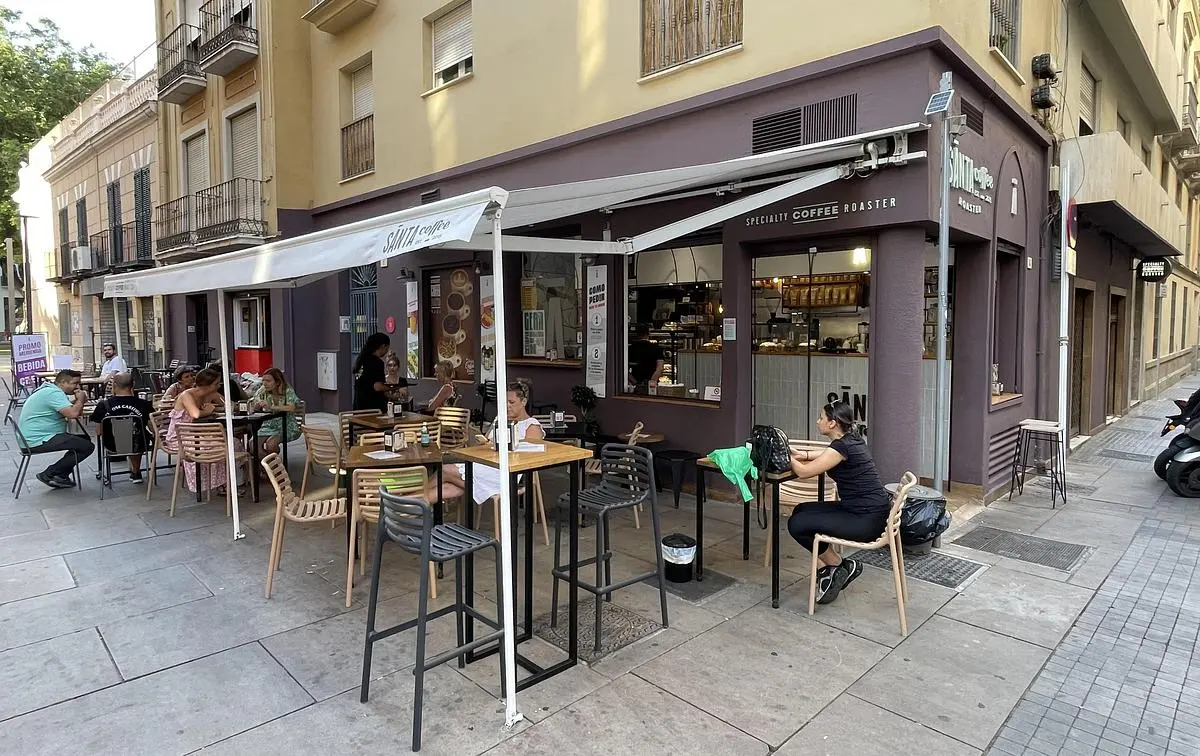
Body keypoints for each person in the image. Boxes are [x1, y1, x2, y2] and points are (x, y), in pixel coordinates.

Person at [786, 401, 890, 605]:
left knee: (797, 524)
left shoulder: (842, 446)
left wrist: (784, 456)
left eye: (821, 418)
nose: (818, 422)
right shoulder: (852, 440)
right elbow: (829, 454)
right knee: (801, 510)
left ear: (833, 423)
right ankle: (836, 569)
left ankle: (836, 566)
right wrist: (802, 455)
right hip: (870, 512)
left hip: (865, 520)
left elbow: (804, 472)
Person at [435, 379, 543, 504]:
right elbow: (488, 440)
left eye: (511, 402)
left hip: (504, 473)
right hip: (487, 466)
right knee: (448, 486)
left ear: (523, 402)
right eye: (505, 402)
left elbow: (529, 458)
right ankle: (418, 502)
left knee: (445, 471)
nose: (507, 406)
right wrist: (486, 443)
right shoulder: (500, 419)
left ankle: (417, 501)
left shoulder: (531, 426)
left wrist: (499, 447)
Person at [166, 367, 240, 495]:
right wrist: (208, 410)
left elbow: (230, 405)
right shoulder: (187, 395)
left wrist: (220, 406)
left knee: (234, 442)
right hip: (181, 438)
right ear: (206, 385)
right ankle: (221, 484)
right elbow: (195, 414)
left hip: (198, 434)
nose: (219, 386)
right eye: (216, 384)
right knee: (222, 446)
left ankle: (228, 482)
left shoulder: (209, 394)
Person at [17, 369, 95, 489]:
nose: (77, 387)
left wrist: (79, 401)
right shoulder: (53, 394)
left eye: (79, 383)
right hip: (37, 440)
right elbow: (73, 414)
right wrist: (80, 400)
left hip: (35, 437)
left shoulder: (51, 390)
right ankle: (50, 474)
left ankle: (60, 475)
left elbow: (73, 411)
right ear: (63, 382)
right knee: (87, 447)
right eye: (75, 383)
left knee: (84, 440)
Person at [90, 373, 154, 483]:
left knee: (130, 438)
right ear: (133, 385)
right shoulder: (144, 404)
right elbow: (153, 428)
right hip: (138, 444)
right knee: (139, 436)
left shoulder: (103, 405)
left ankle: (131, 471)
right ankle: (136, 472)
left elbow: (99, 431)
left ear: (114, 385)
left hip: (112, 445)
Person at [251, 367, 301, 454]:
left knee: (271, 444)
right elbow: (254, 403)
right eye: (263, 380)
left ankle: (272, 461)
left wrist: (271, 407)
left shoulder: (287, 390)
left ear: (277, 382)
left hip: (286, 426)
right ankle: (268, 462)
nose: (264, 383)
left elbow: (291, 407)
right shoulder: (262, 390)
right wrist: (256, 405)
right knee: (252, 444)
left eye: (268, 381)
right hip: (268, 425)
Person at [354, 333, 406, 413]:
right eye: (387, 348)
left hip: (359, 406)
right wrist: (395, 387)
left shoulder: (361, 360)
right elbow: (377, 387)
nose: (386, 351)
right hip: (373, 408)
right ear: (383, 346)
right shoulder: (377, 362)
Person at [627, 324, 664, 393]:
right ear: (648, 333)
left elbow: (624, 370)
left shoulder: (630, 349)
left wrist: (636, 383)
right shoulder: (656, 348)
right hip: (652, 384)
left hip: (635, 383)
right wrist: (652, 381)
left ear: (636, 334)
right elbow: (660, 368)